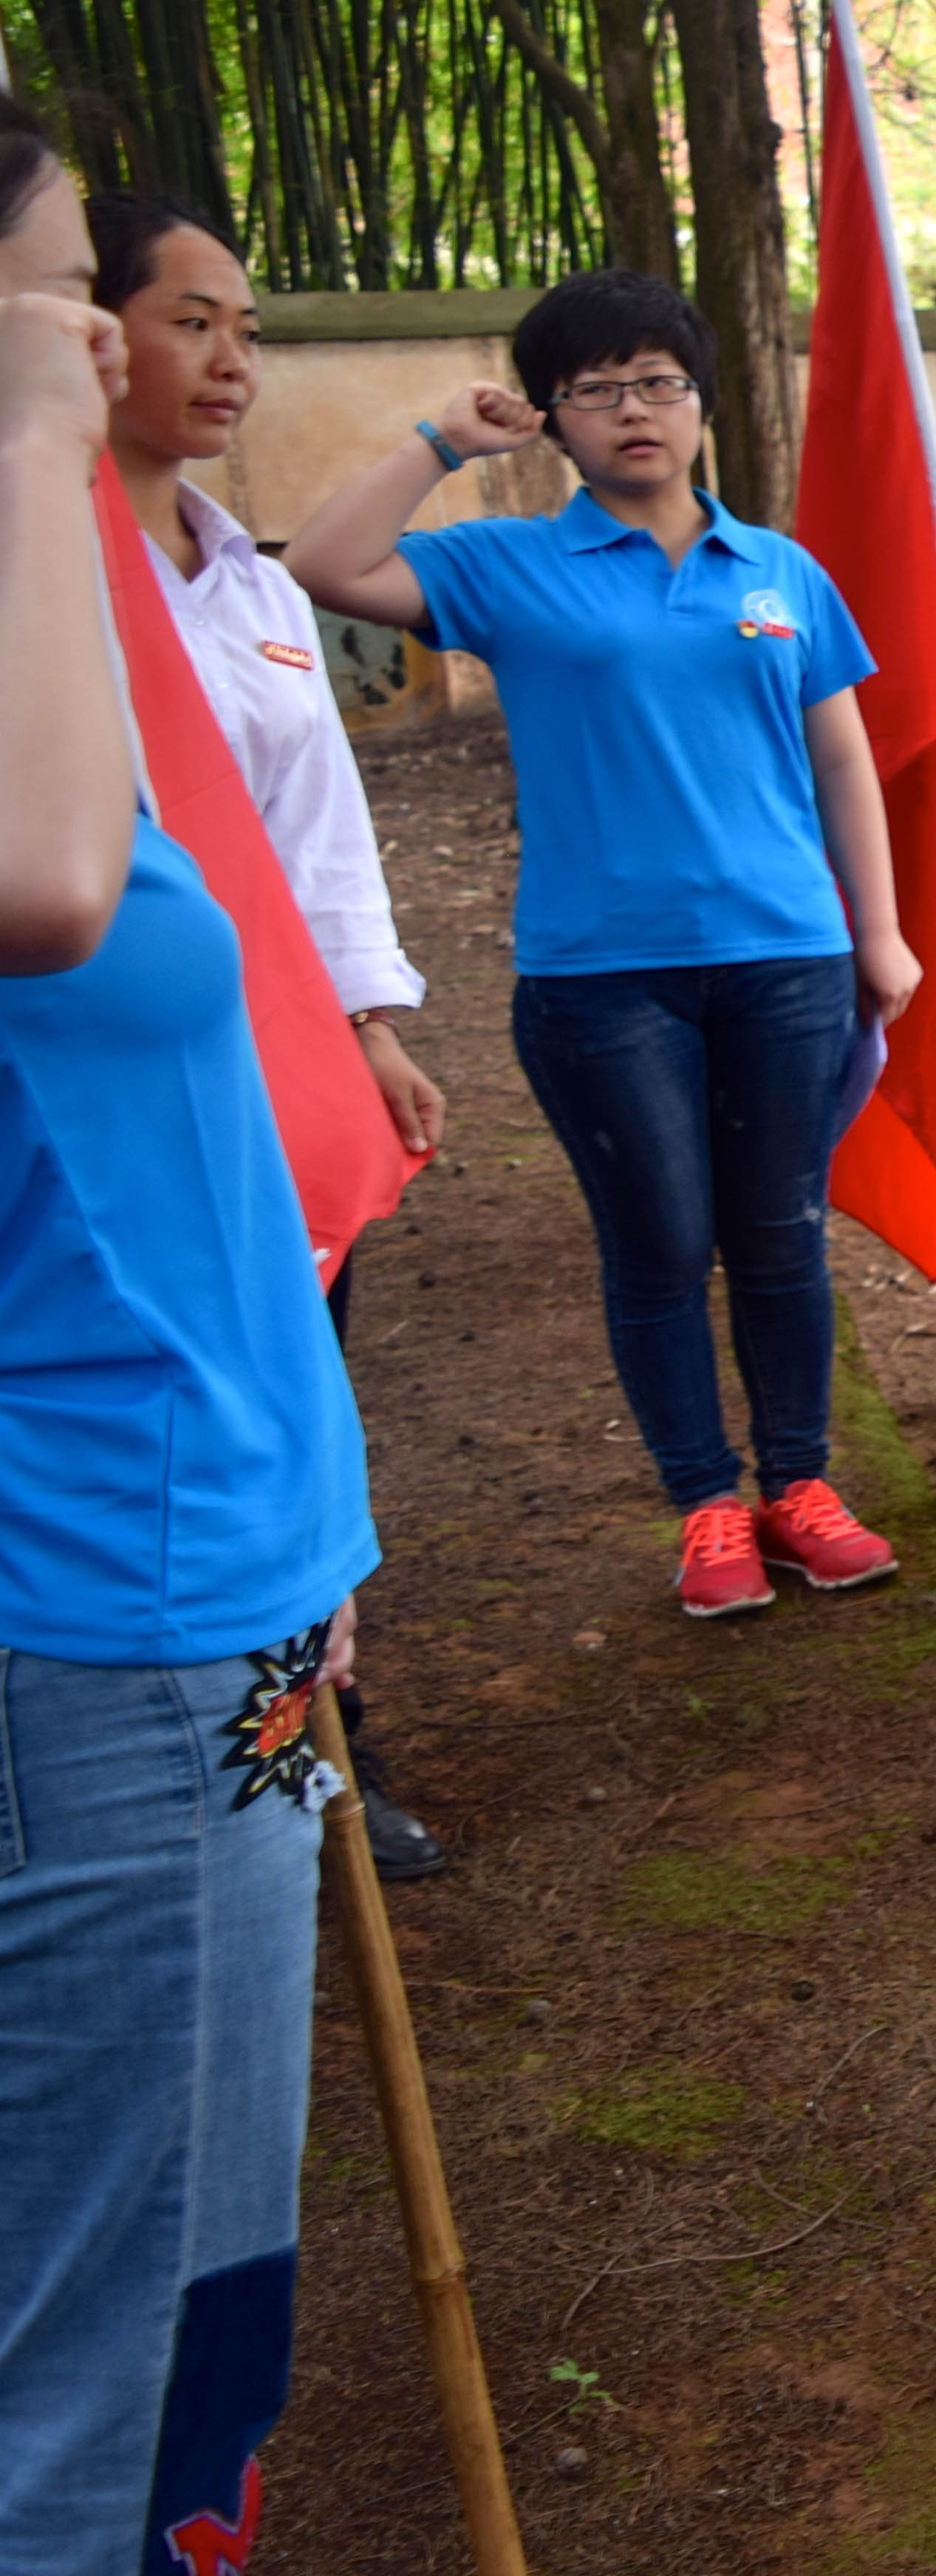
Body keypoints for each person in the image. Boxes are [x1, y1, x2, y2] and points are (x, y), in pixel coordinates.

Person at [0, 258, 380, 2574]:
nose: (102, 344)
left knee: (201, 2269)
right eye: (65, 292)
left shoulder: (94, 614)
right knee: (100, 2322)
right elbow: (53, 898)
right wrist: (33, 448)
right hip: (99, 1590)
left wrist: (311, 1537)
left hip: (223, 1577)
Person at [284, 266, 915, 1621]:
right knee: (660, 1242)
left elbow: (842, 760)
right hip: (601, 977)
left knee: (780, 1232)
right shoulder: (505, 565)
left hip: (787, 958)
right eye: (598, 388)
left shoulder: (782, 571)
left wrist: (880, 932)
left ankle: (801, 1487)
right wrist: (441, 442)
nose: (636, 410)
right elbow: (322, 567)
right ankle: (706, 1506)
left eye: (660, 382)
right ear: (554, 418)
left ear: (701, 403)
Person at [82, 185, 451, 1881]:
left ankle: (315, 1743)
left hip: (276, 1068)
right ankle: (157, 1770)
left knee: (303, 1403)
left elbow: (318, 837)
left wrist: (368, 1025)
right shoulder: (45, 571)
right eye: (189, 322)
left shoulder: (251, 583)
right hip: (114, 1079)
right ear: (85, 331)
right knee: (164, 1421)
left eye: (246, 329)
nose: (230, 360)